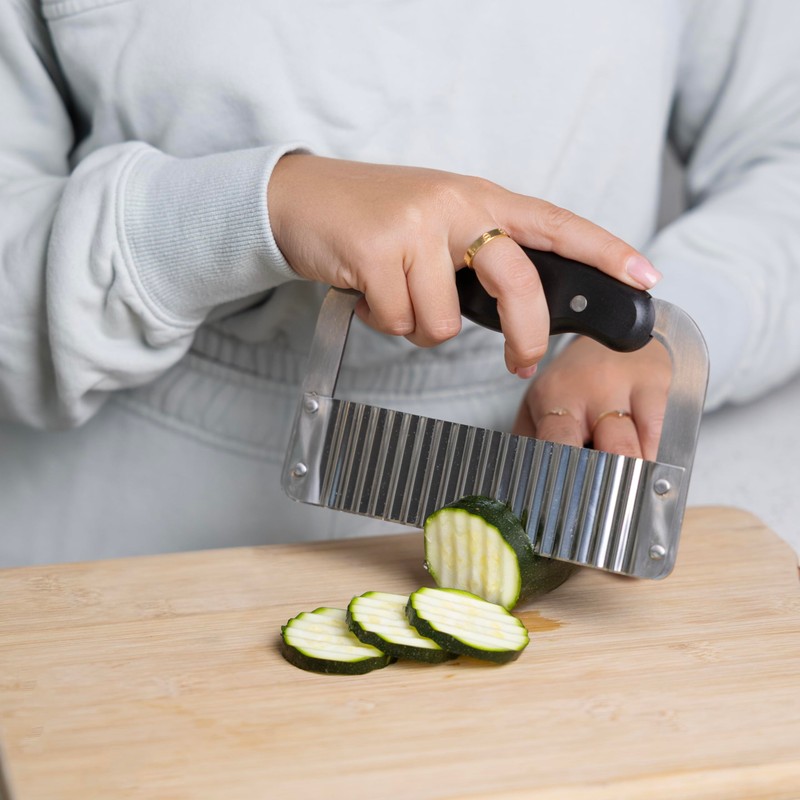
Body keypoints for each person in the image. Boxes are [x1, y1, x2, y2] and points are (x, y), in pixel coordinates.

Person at [1, 1, 798, 566]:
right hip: (116, 538)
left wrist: (655, 338)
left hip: (551, 489)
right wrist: (260, 208)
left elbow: (784, 153)